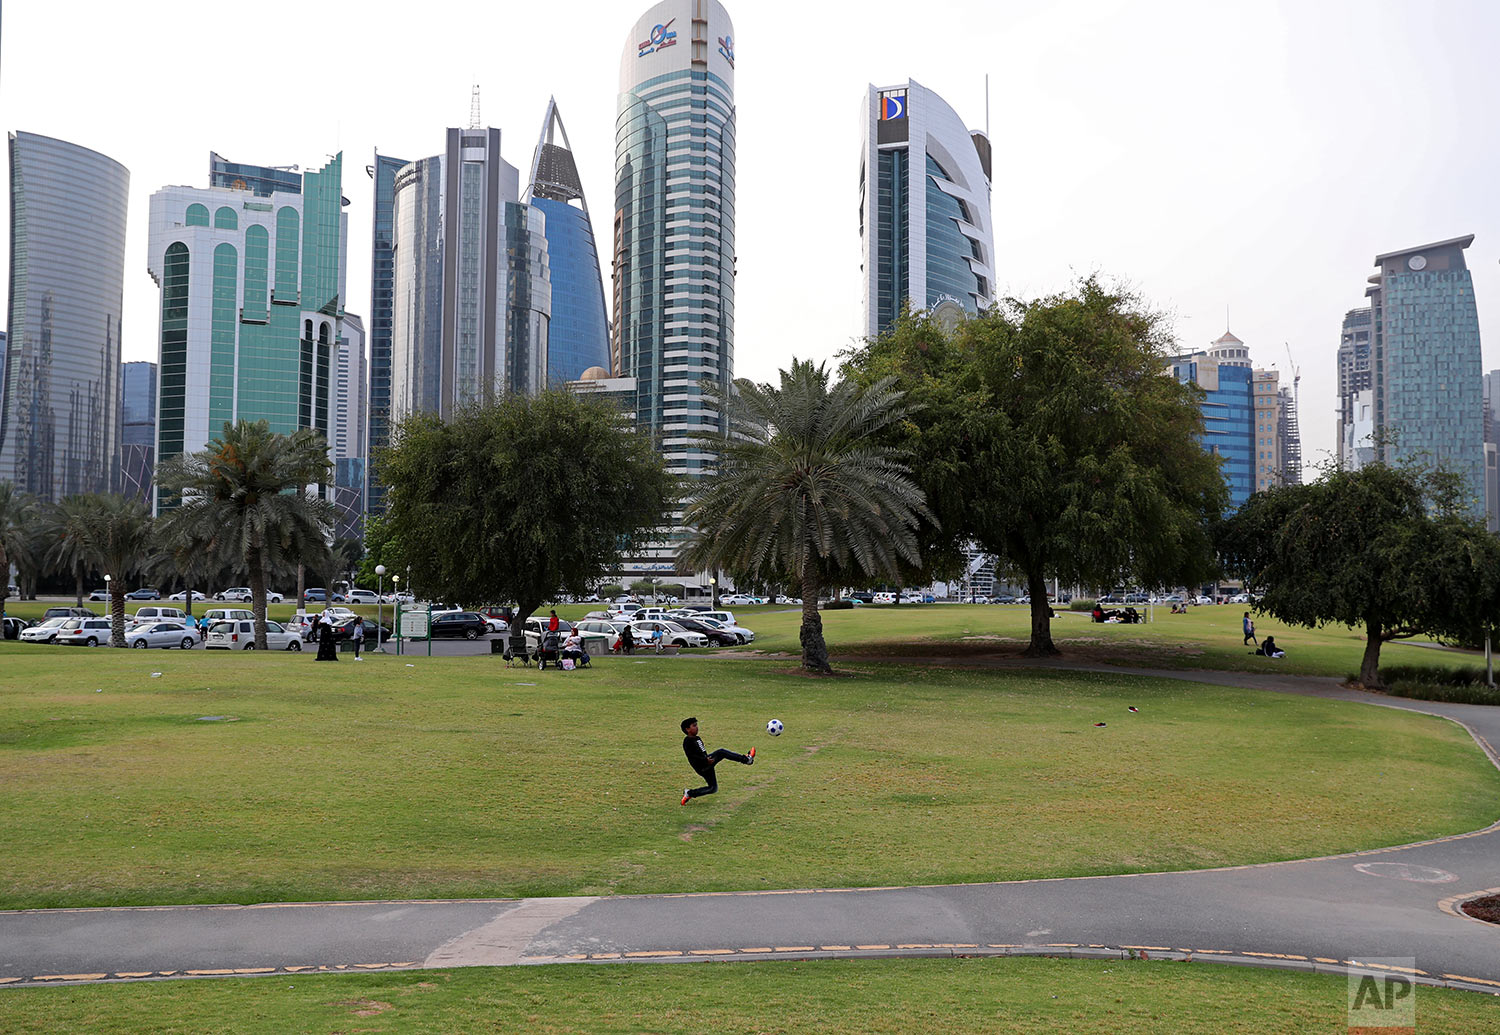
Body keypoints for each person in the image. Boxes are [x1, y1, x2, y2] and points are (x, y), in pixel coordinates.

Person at [680, 717, 754, 804]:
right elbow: (692, 756)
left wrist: (706, 758)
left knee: (713, 788)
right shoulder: (687, 741)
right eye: (694, 725)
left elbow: (702, 752)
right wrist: (705, 760)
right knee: (721, 752)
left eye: (697, 725)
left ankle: (689, 793)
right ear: (687, 729)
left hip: (706, 763)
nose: (697, 727)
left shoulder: (697, 738)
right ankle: (746, 759)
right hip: (702, 767)